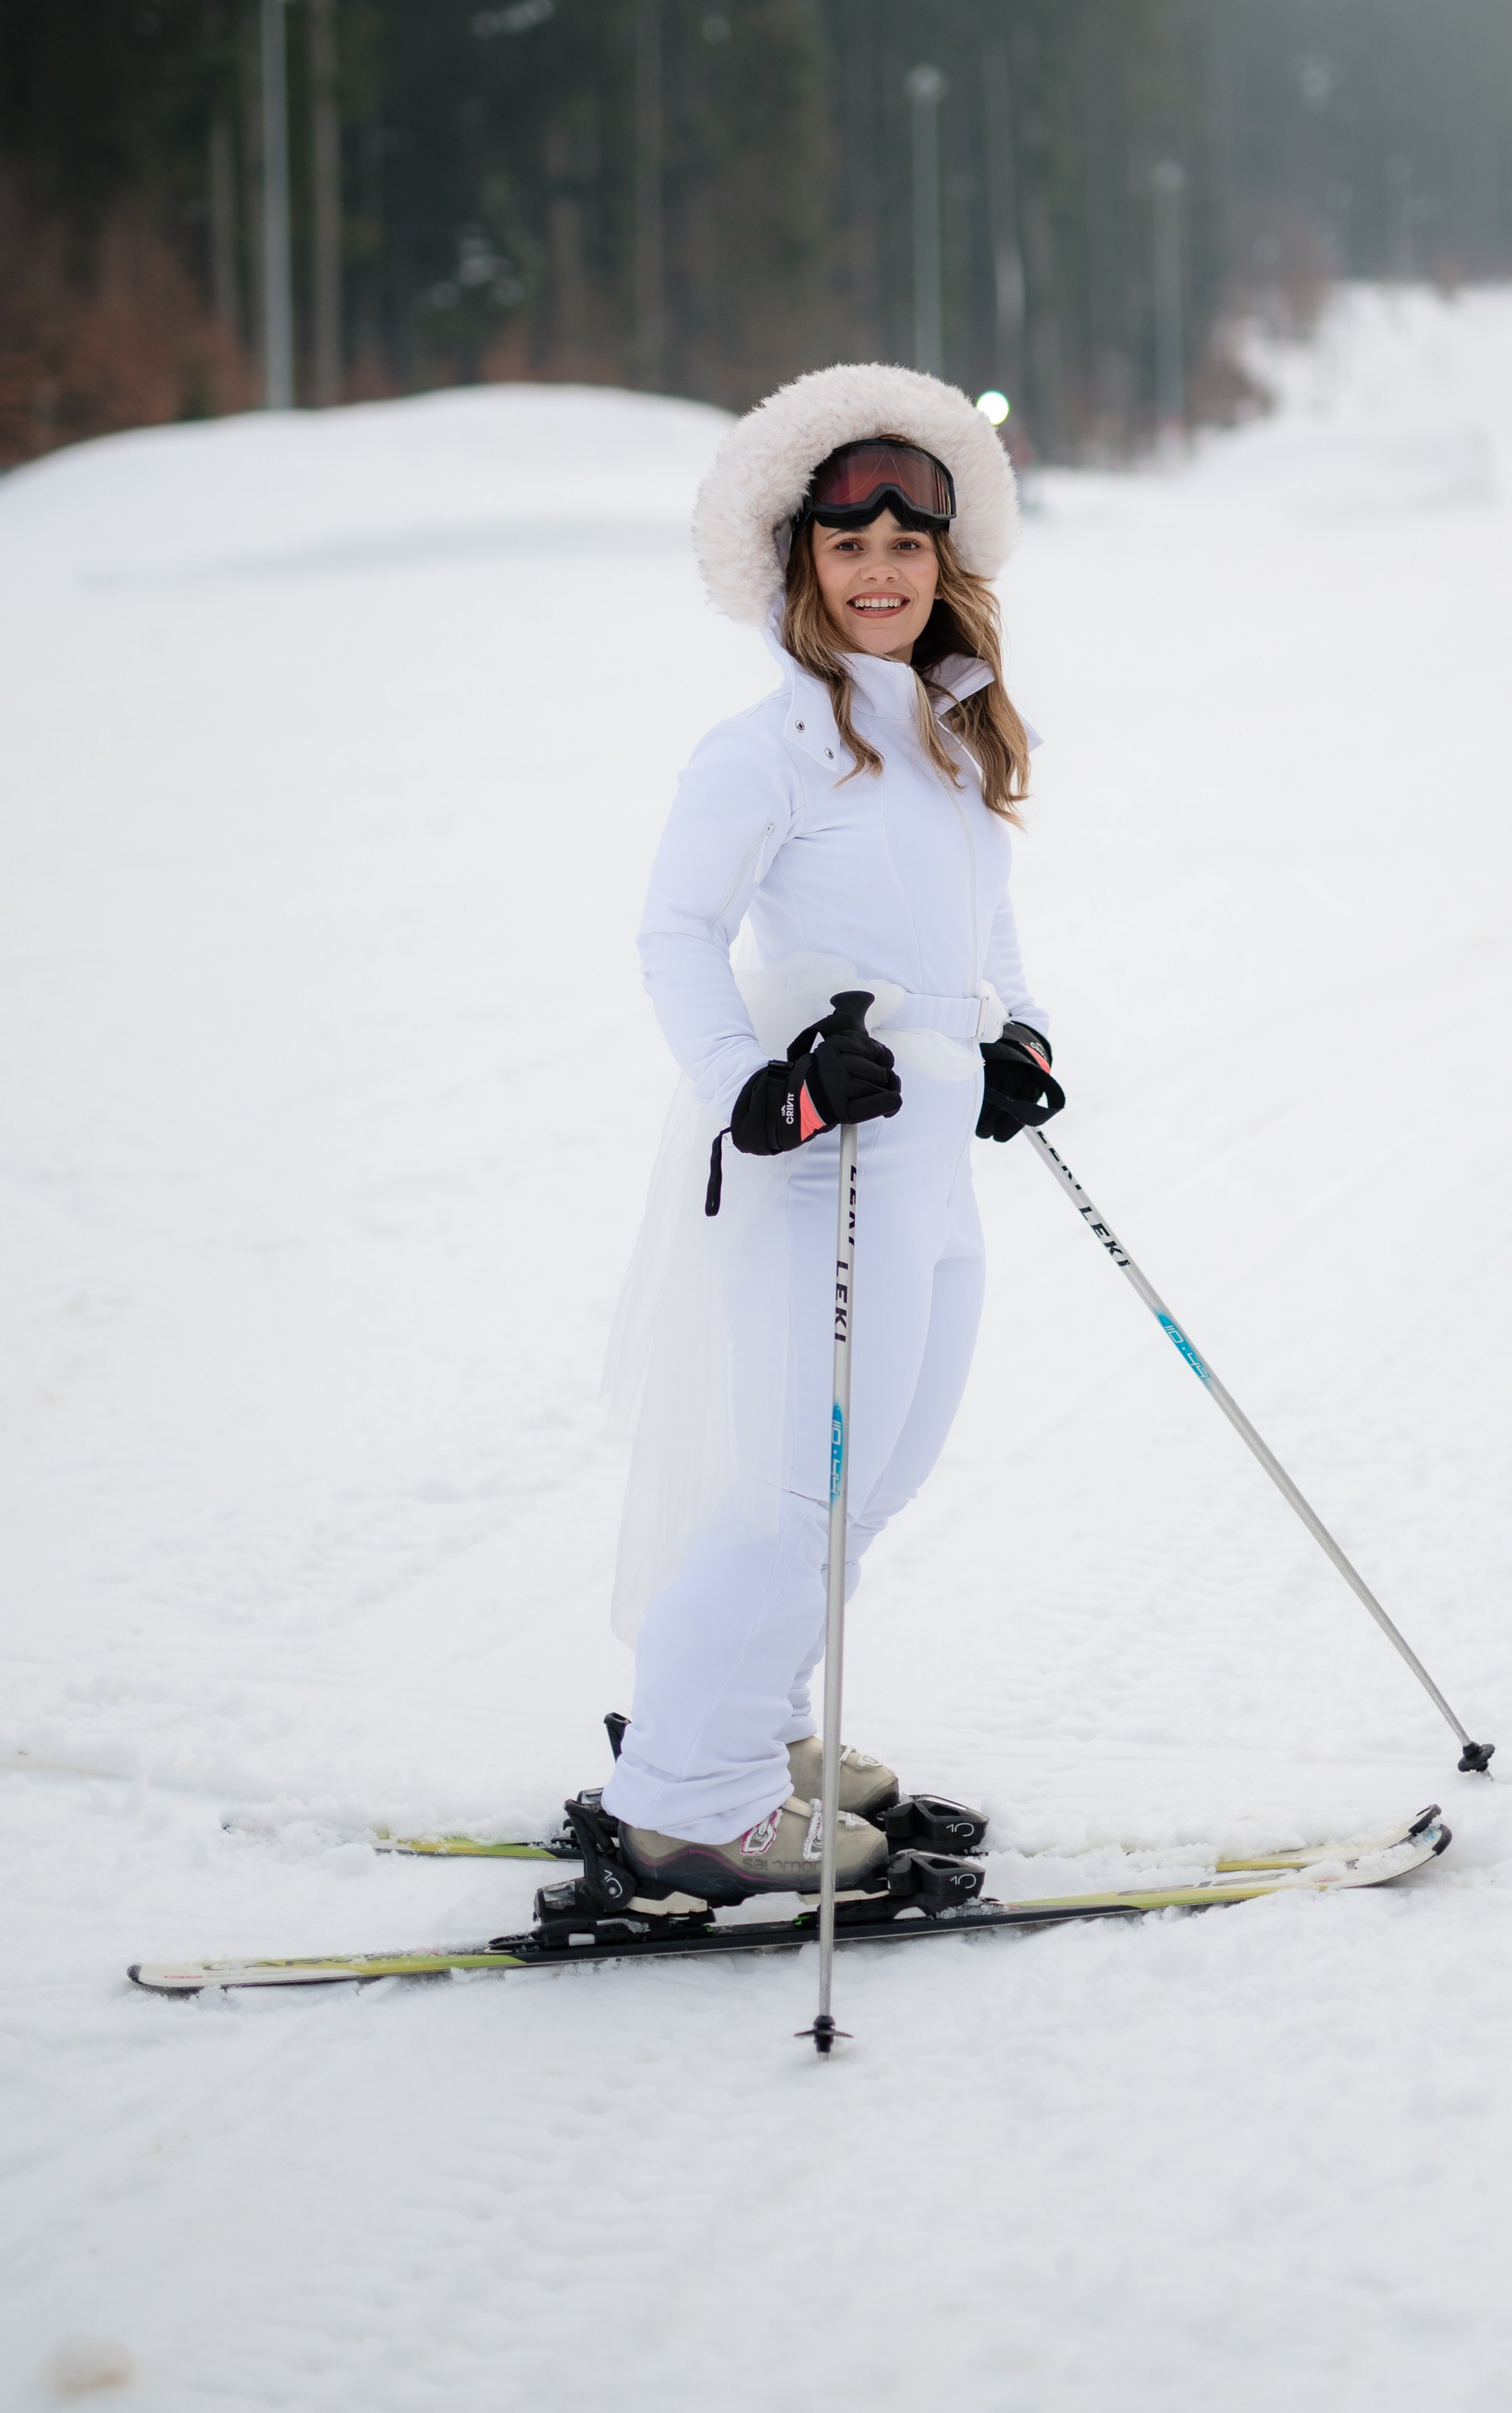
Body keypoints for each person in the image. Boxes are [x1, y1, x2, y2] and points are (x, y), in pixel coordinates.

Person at [599, 365, 1066, 1902]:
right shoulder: (767, 747)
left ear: (945, 567)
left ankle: (754, 1724)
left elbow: (988, 926)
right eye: (849, 546)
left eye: (907, 548)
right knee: (800, 1483)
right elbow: (676, 932)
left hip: (929, 1152)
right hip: (823, 1153)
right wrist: (762, 1083)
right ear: (802, 563)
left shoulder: (948, 733)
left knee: (881, 1475)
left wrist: (1015, 1033)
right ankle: (688, 1794)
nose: (879, 573)